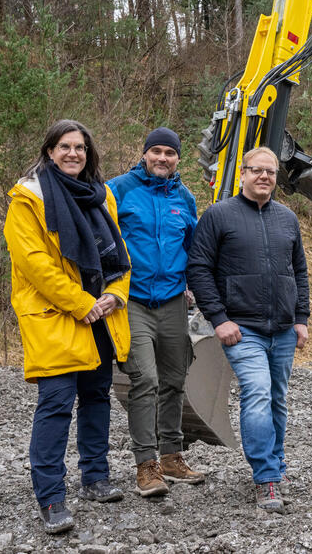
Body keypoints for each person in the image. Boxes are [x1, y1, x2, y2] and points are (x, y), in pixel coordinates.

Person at [3, 120, 132, 534]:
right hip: (56, 317)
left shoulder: (102, 195)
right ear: (49, 151)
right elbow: (34, 265)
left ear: (89, 153)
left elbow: (119, 256)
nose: (73, 153)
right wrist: (82, 304)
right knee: (56, 405)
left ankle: (95, 479)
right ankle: (51, 497)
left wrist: (116, 294)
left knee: (96, 399)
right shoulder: (29, 198)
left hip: (100, 316)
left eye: (80, 147)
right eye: (65, 147)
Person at [186, 146, 310, 513]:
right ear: (242, 174)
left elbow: (298, 271)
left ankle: (275, 464)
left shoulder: (287, 218)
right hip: (242, 329)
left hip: (284, 329)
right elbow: (199, 269)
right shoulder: (219, 216)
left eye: (271, 172)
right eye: (257, 170)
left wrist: (302, 318)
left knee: (276, 399)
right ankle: (266, 479)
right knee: (257, 393)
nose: (264, 177)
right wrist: (219, 318)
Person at [108, 127, 204, 497]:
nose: (163, 158)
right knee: (145, 379)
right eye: (156, 151)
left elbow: (193, 249)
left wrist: (195, 287)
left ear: (178, 158)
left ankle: (170, 456)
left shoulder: (185, 198)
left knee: (174, 380)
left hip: (173, 302)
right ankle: (145, 464)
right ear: (144, 153)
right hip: (132, 301)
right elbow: (103, 239)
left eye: (170, 153)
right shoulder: (119, 190)